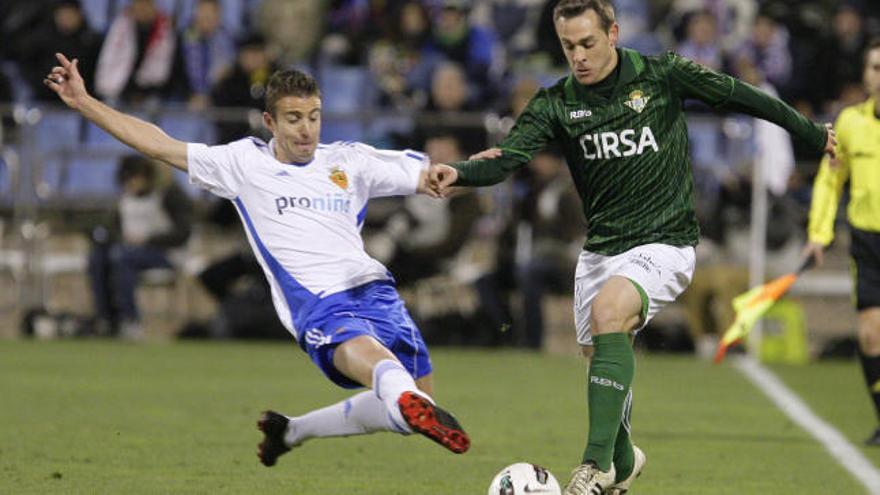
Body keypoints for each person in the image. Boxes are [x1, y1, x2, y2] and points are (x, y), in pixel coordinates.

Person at [428, 1, 836, 493]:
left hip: (665, 241)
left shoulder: (662, 75)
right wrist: (462, 173)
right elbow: (509, 159)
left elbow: (742, 97)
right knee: (602, 353)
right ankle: (621, 462)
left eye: (587, 43)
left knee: (609, 312)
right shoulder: (556, 103)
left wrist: (812, 134)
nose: (577, 55)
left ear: (614, 33)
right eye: (568, 46)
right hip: (602, 250)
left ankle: (593, 465)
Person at [44, 53, 469, 466]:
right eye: (293, 119)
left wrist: (476, 168)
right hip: (319, 303)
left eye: (314, 116)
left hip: (376, 290)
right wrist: (85, 102)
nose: (307, 130)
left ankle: (293, 431)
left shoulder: (349, 160)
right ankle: (399, 394)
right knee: (387, 376)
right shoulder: (242, 163)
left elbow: (434, 175)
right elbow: (159, 144)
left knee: (414, 402)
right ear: (270, 121)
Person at [803, 38, 880, 447]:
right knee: (870, 335)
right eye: (874, 67)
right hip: (868, 241)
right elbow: (830, 180)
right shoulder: (850, 122)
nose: (878, 75)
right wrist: (819, 235)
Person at [88, 154, 193, 339]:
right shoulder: (125, 198)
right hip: (130, 252)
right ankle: (105, 318)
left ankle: (131, 320)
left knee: (122, 258)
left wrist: (147, 240)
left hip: (166, 254)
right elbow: (113, 229)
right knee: (99, 257)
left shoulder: (169, 195)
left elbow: (183, 234)